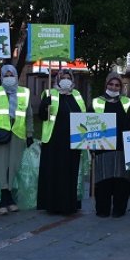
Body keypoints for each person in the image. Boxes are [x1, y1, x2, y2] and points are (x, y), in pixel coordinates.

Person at [0, 65, 33, 215]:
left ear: (17, 75)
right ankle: (1, 199)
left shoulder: (24, 92)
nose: (9, 77)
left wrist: (30, 134)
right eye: (6, 75)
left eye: (11, 74)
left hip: (17, 134)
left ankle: (10, 198)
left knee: (14, 167)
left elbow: (29, 115)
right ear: (1, 77)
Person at [37, 70, 86, 215]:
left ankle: (69, 205)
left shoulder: (77, 95)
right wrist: (45, 105)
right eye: (62, 78)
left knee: (70, 172)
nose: (66, 80)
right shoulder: (49, 93)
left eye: (68, 77)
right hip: (54, 140)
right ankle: (53, 205)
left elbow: (84, 114)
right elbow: (42, 116)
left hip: (73, 141)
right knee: (54, 172)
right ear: (57, 80)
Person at [90, 72, 130, 218]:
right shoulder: (96, 102)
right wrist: (91, 145)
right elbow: (89, 123)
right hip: (102, 148)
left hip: (122, 148)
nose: (114, 87)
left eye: (117, 85)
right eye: (111, 84)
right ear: (106, 85)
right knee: (103, 180)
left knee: (121, 181)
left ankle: (119, 210)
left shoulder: (128, 103)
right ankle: (102, 209)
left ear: (121, 87)